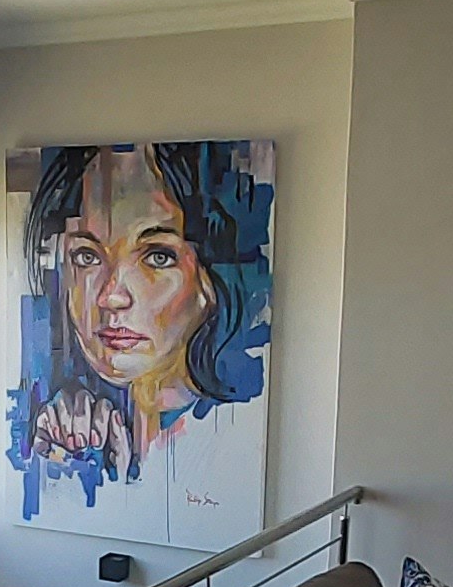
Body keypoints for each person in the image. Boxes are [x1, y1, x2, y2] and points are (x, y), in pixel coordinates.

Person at [16, 142, 269, 490]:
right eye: (87, 257)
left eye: (157, 257)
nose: (111, 296)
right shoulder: (84, 426)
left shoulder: (231, 440)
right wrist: (64, 464)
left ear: (209, 280)